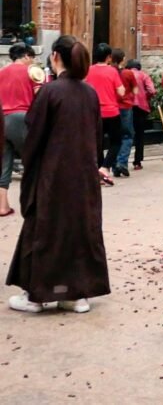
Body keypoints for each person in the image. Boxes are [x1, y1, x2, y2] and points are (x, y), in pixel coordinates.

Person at [6, 35, 110, 314]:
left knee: (45, 230)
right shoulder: (89, 93)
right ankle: (76, 294)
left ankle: (37, 295)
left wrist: (29, 166)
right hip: (84, 174)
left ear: (54, 57)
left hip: (53, 174)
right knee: (79, 229)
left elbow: (34, 135)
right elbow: (97, 137)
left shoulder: (50, 92)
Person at [0, 43, 39, 216]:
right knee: (33, 161)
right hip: (22, 117)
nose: (32, 61)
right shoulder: (31, 71)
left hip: (2, 119)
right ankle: (35, 204)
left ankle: (3, 206)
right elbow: (39, 95)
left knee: (4, 164)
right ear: (25, 56)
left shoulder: (1, 73)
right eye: (31, 57)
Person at [85, 43, 124, 183]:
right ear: (108, 57)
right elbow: (121, 91)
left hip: (94, 113)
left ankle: (99, 171)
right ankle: (105, 167)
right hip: (112, 111)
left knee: (98, 143)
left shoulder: (89, 70)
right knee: (116, 142)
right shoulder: (112, 71)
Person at [111, 48, 137, 177]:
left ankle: (114, 163)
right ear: (122, 59)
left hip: (113, 106)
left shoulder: (111, 72)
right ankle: (122, 162)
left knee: (115, 137)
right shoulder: (128, 73)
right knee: (127, 135)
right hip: (126, 106)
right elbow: (136, 90)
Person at [127, 59, 156, 170]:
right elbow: (152, 90)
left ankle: (121, 161)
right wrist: (145, 96)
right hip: (140, 107)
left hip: (127, 106)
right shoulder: (144, 75)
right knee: (139, 134)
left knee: (125, 134)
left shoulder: (125, 75)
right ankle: (137, 161)